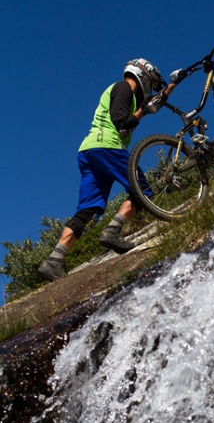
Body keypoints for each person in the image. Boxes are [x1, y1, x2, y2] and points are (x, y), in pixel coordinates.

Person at [38, 59, 185, 282]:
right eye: (152, 81)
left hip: (89, 152)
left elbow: (150, 105)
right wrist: (141, 113)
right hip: (108, 146)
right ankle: (113, 231)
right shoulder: (123, 88)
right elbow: (122, 122)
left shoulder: (125, 93)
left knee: (89, 208)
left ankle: (54, 260)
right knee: (142, 191)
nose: (150, 87)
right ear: (143, 75)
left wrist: (171, 87)